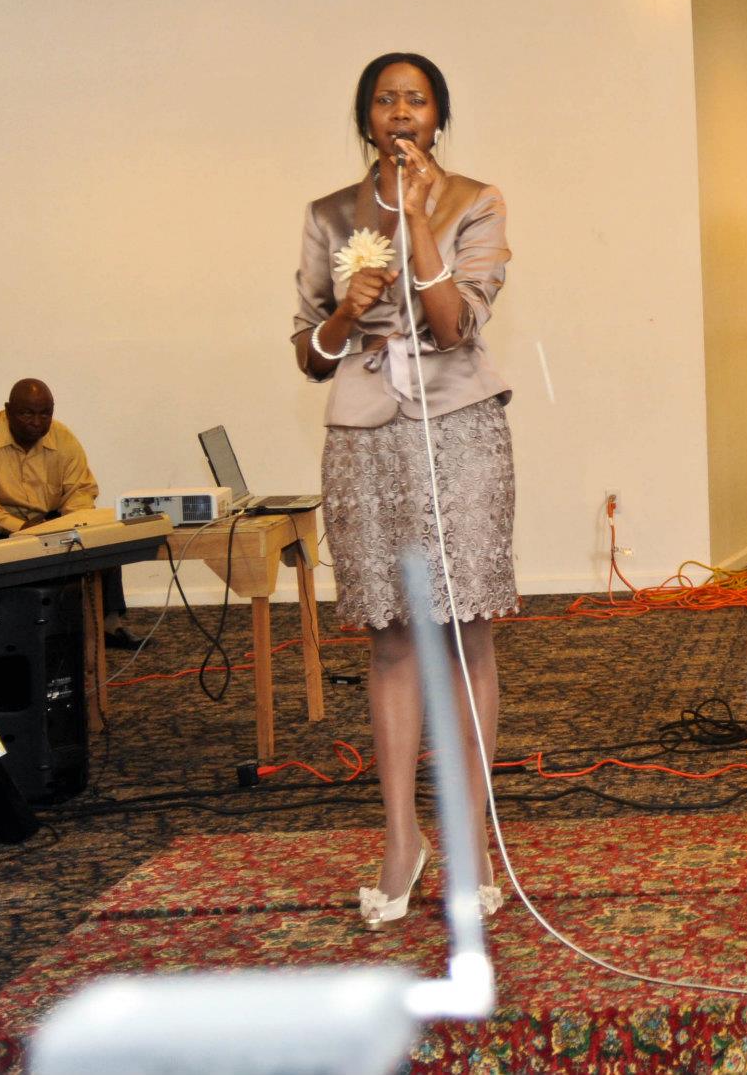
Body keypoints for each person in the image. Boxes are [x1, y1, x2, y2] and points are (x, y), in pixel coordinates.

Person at [292, 52, 516, 928]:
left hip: (458, 429)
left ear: (437, 118)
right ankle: (398, 838)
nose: (399, 111)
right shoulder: (328, 214)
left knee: (464, 630)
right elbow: (310, 353)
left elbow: (455, 324)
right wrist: (347, 311)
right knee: (389, 636)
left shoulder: (477, 201)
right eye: (385, 99)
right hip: (364, 435)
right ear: (366, 118)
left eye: (415, 99)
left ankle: (472, 840)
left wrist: (419, 219)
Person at [0, 379, 133, 645]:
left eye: (45, 414)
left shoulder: (63, 438)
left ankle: (109, 625)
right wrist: (18, 527)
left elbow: (80, 489)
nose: (36, 422)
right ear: (8, 411)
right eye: (26, 413)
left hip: (45, 519)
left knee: (98, 535)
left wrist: (74, 522)